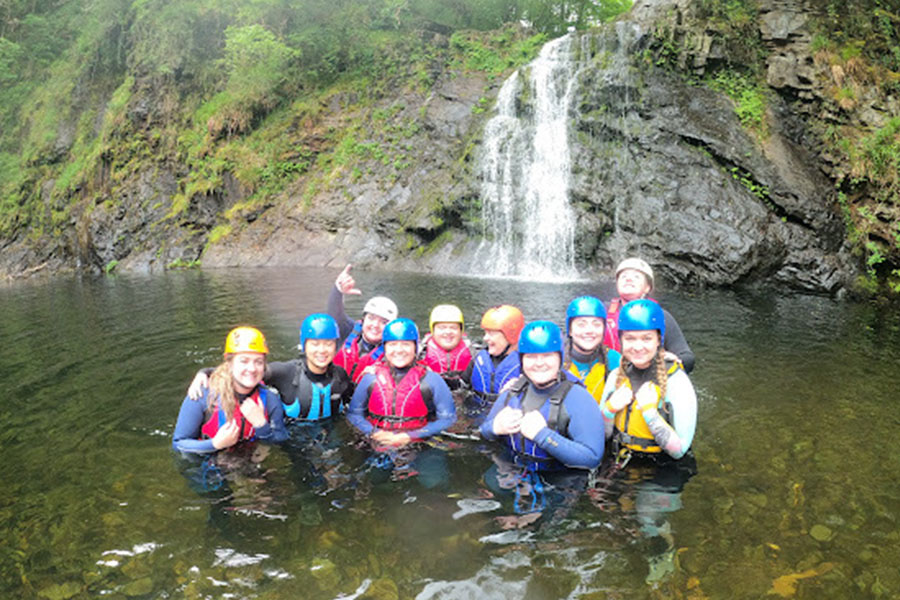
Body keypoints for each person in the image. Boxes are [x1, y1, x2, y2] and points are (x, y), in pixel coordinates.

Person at [480, 320, 605, 472]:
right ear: (522, 360)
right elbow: (483, 432)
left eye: (547, 355)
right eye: (531, 356)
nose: (539, 363)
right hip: (513, 473)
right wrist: (495, 427)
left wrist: (542, 435)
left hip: (558, 482)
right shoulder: (512, 391)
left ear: (560, 358)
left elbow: (591, 459)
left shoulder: (579, 399)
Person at [186, 314, 353, 423]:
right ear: (304, 345)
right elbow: (247, 373)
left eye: (328, 344)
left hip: (331, 436)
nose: (322, 351)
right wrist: (205, 372)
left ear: (335, 346)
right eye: (315, 344)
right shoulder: (286, 372)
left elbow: (356, 404)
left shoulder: (340, 376)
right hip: (293, 441)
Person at [599, 299, 697, 463]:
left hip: (662, 470)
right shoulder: (615, 376)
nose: (638, 347)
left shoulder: (677, 382)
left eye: (646, 338)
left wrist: (650, 413)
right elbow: (602, 436)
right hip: (619, 459)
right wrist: (609, 410)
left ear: (659, 340)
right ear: (621, 340)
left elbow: (680, 451)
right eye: (630, 338)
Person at [173, 326, 288, 454]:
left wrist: (261, 425)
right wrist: (215, 444)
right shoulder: (203, 394)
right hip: (208, 464)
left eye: (258, 362)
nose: (252, 368)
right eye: (244, 361)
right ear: (229, 363)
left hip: (251, 460)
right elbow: (179, 443)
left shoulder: (270, 399)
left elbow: (281, 441)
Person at [347, 318, 457, 446]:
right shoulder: (370, 378)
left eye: (406, 344)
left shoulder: (432, 380)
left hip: (419, 443)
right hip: (376, 440)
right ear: (385, 348)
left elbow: (448, 419)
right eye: (392, 344)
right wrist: (374, 432)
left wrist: (410, 436)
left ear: (415, 347)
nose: (399, 350)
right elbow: (354, 414)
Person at [603, 258, 695, 373]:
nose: (628, 279)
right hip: (609, 375)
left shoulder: (661, 316)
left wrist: (672, 362)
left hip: (648, 378)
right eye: (624, 276)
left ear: (647, 287)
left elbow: (687, 357)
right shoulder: (601, 311)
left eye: (636, 277)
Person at [328, 264, 398, 384]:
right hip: (336, 394)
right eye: (371, 318)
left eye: (384, 322)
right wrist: (338, 291)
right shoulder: (347, 330)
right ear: (363, 319)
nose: (375, 325)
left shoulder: (395, 349)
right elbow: (335, 315)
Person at [462, 304, 525, 408]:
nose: (485, 338)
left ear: (511, 335)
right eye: (485, 333)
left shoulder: (526, 365)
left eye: (491, 333)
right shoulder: (478, 359)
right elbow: (461, 389)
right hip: (475, 411)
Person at [564, 296, 621, 405]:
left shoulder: (615, 361)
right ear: (570, 330)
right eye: (581, 324)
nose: (589, 331)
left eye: (596, 324)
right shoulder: (556, 361)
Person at [419, 304, 472, 389]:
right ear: (433, 330)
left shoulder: (474, 353)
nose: (448, 332)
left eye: (453, 328)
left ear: (461, 331)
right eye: (442, 327)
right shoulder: (420, 352)